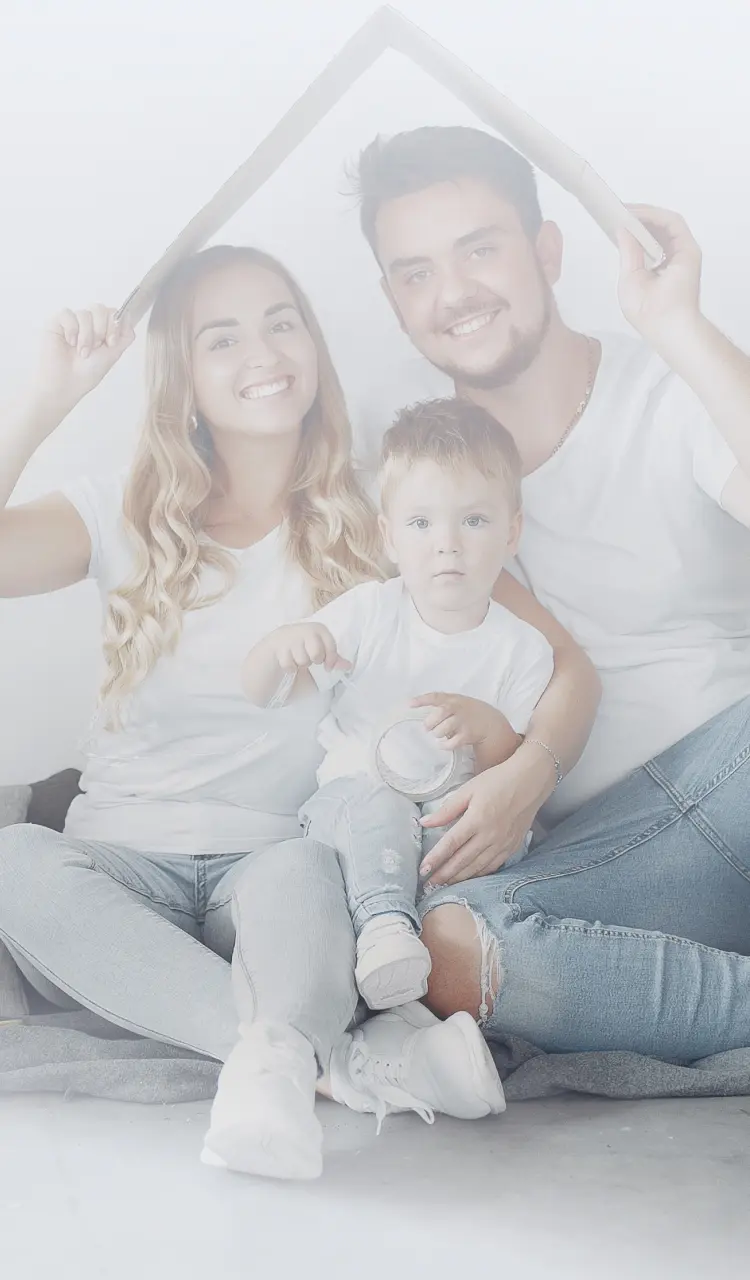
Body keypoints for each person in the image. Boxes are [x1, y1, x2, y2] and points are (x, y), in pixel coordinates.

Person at [0, 243, 592, 1179]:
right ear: (183, 377)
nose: (264, 352)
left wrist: (528, 770)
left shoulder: (385, 513)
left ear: (313, 345)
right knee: (11, 863)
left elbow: (567, 668)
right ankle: (321, 1057)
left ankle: (286, 1053)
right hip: (120, 863)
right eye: (222, 338)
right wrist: (47, 397)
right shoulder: (120, 509)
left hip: (276, 870)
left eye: (282, 323)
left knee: (308, 869)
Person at [348, 125, 750, 1059]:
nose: (454, 293)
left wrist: (679, 324)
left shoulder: (664, 388)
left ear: (548, 251)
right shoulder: (404, 452)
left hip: (730, 761)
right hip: (612, 844)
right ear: (392, 298)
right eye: (416, 272)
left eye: (479, 249)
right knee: (450, 950)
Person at [242, 398, 554, 1012]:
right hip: (353, 808)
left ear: (511, 531)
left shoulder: (524, 648)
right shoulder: (371, 612)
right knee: (379, 805)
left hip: (442, 825)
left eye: (474, 521)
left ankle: (422, 956)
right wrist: (281, 650)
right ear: (389, 535)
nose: (447, 545)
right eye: (421, 524)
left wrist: (489, 730)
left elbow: (513, 770)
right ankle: (386, 928)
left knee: (483, 830)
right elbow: (261, 691)